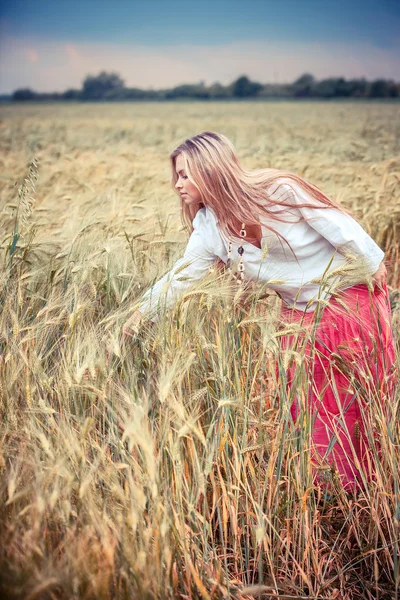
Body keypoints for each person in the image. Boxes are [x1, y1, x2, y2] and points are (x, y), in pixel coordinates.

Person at [121, 131, 397, 490]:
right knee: (311, 411)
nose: (177, 184)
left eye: (185, 174)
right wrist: (141, 314)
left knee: (359, 403)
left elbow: (337, 225)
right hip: (299, 320)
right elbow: (181, 277)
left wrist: (372, 262)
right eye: (175, 175)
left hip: (348, 304)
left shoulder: (278, 191)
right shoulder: (209, 226)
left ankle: (377, 488)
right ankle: (333, 497)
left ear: (211, 169)